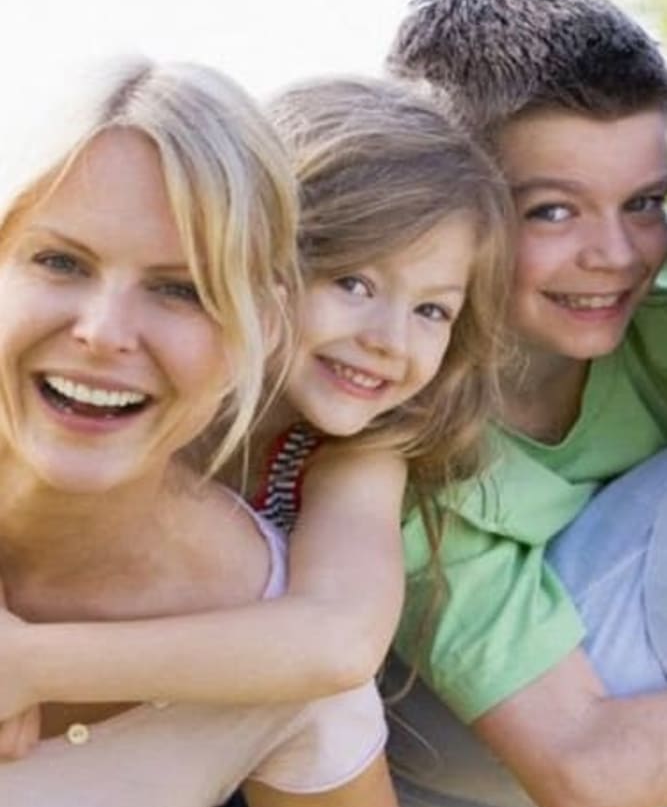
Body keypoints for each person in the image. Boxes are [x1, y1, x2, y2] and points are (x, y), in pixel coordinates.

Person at [0, 58, 405, 807]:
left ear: (262, 327)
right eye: (59, 261)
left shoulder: (279, 651)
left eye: (181, 289)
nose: (104, 333)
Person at [0, 74, 510, 737]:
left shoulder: (354, 455)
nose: (386, 339)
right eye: (352, 283)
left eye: (432, 309)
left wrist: (31, 668)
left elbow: (337, 639)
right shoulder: (112, 382)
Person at [382, 0, 667, 807]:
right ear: (443, 202)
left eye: (647, 202)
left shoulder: (650, 338)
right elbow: (582, 770)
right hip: (519, 768)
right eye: (552, 210)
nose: (616, 254)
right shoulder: (414, 441)